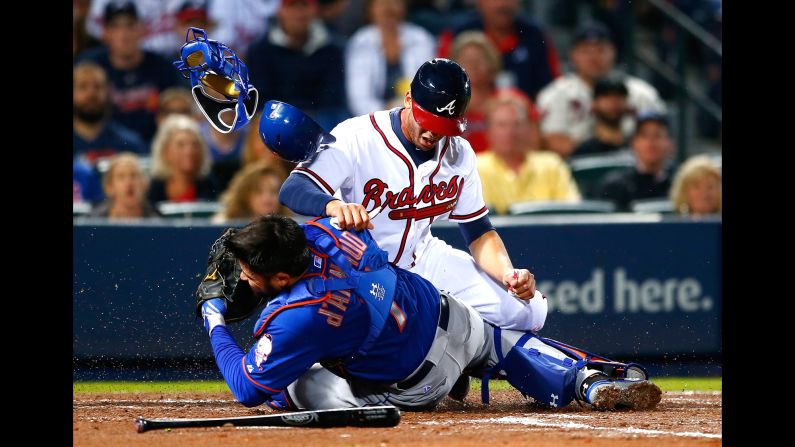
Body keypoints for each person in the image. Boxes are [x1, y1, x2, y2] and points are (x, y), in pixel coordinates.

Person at [196, 214, 662, 412]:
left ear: (281, 277)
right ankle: (586, 379)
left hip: (419, 383)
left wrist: (215, 317)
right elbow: (291, 235)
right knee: (502, 341)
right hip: (449, 313)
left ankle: (345, 408)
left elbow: (246, 389)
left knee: (291, 381)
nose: (242, 277)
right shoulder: (320, 231)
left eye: (249, 273)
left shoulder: (298, 314)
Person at [276, 59, 547, 334]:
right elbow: (293, 188)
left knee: (529, 311)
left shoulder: (459, 153)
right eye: (427, 120)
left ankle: (474, 353)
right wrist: (332, 204)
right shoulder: (357, 137)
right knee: (384, 335)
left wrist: (508, 274)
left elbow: (478, 231)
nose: (433, 132)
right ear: (408, 99)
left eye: (444, 125)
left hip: (424, 258)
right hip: (361, 269)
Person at [536, 22, 666, 159]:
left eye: (601, 50)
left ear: (613, 52)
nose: (593, 58)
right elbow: (552, 141)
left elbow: (661, 136)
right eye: (586, 51)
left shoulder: (641, 93)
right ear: (573, 55)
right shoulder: (556, 94)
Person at [76, 1, 184, 143]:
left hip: (154, 146)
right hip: (102, 146)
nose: (124, 34)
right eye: (115, 26)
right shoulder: (90, 64)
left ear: (142, 30)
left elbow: (179, 110)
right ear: (105, 33)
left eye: (130, 25)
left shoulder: (162, 66)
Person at [245, 0, 349, 132]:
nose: (299, 12)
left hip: (321, 123)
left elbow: (332, 100)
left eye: (305, 5)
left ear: (315, 9)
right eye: (291, 5)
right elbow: (261, 102)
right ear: (279, 10)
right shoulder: (259, 51)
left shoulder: (333, 49)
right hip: (276, 122)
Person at [477, 94, 580, 215]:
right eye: (502, 125)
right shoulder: (473, 168)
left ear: (528, 129)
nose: (510, 132)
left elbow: (572, 212)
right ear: (488, 131)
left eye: (517, 124)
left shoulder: (552, 164)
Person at [437, 0, 561, 100]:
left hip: (522, 119)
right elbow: (439, 83)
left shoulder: (536, 35)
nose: (502, 4)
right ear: (479, 3)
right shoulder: (456, 33)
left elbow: (553, 89)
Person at [344, 0, 436, 117]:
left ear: (404, 7)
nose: (388, 9)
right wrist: (388, 114)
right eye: (382, 3)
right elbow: (359, 99)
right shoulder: (360, 42)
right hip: (372, 119)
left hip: (415, 115)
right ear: (370, 9)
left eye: (395, 2)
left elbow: (428, 89)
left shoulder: (422, 38)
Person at [448, 31, 534, 154]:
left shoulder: (514, 101)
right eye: (467, 60)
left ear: (492, 64)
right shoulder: (443, 105)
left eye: (479, 60)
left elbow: (533, 146)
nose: (473, 65)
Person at [596, 112, 676, 212]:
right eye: (644, 135)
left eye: (658, 135)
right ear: (633, 143)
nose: (650, 142)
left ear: (670, 144)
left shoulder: (680, 185)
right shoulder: (614, 186)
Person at [73, 61, 146, 165]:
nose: (91, 94)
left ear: (108, 92)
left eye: (97, 87)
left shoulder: (129, 144)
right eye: (83, 87)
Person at [148, 114, 218, 204]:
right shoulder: (155, 188)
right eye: (181, 145)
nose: (189, 151)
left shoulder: (209, 184)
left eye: (195, 144)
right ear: (165, 151)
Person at [212, 160, 290, 223]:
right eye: (258, 191)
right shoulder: (224, 224)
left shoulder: (293, 227)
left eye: (274, 191)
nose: (267, 198)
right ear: (245, 195)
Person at [572, 75, 631, 158]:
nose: (613, 102)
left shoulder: (636, 148)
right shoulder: (583, 152)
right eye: (606, 96)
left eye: (619, 96)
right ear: (594, 104)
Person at [89, 152, 161, 218]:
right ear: (110, 186)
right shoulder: (94, 221)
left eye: (134, 175)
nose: (129, 182)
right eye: (121, 177)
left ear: (144, 184)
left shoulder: (157, 222)